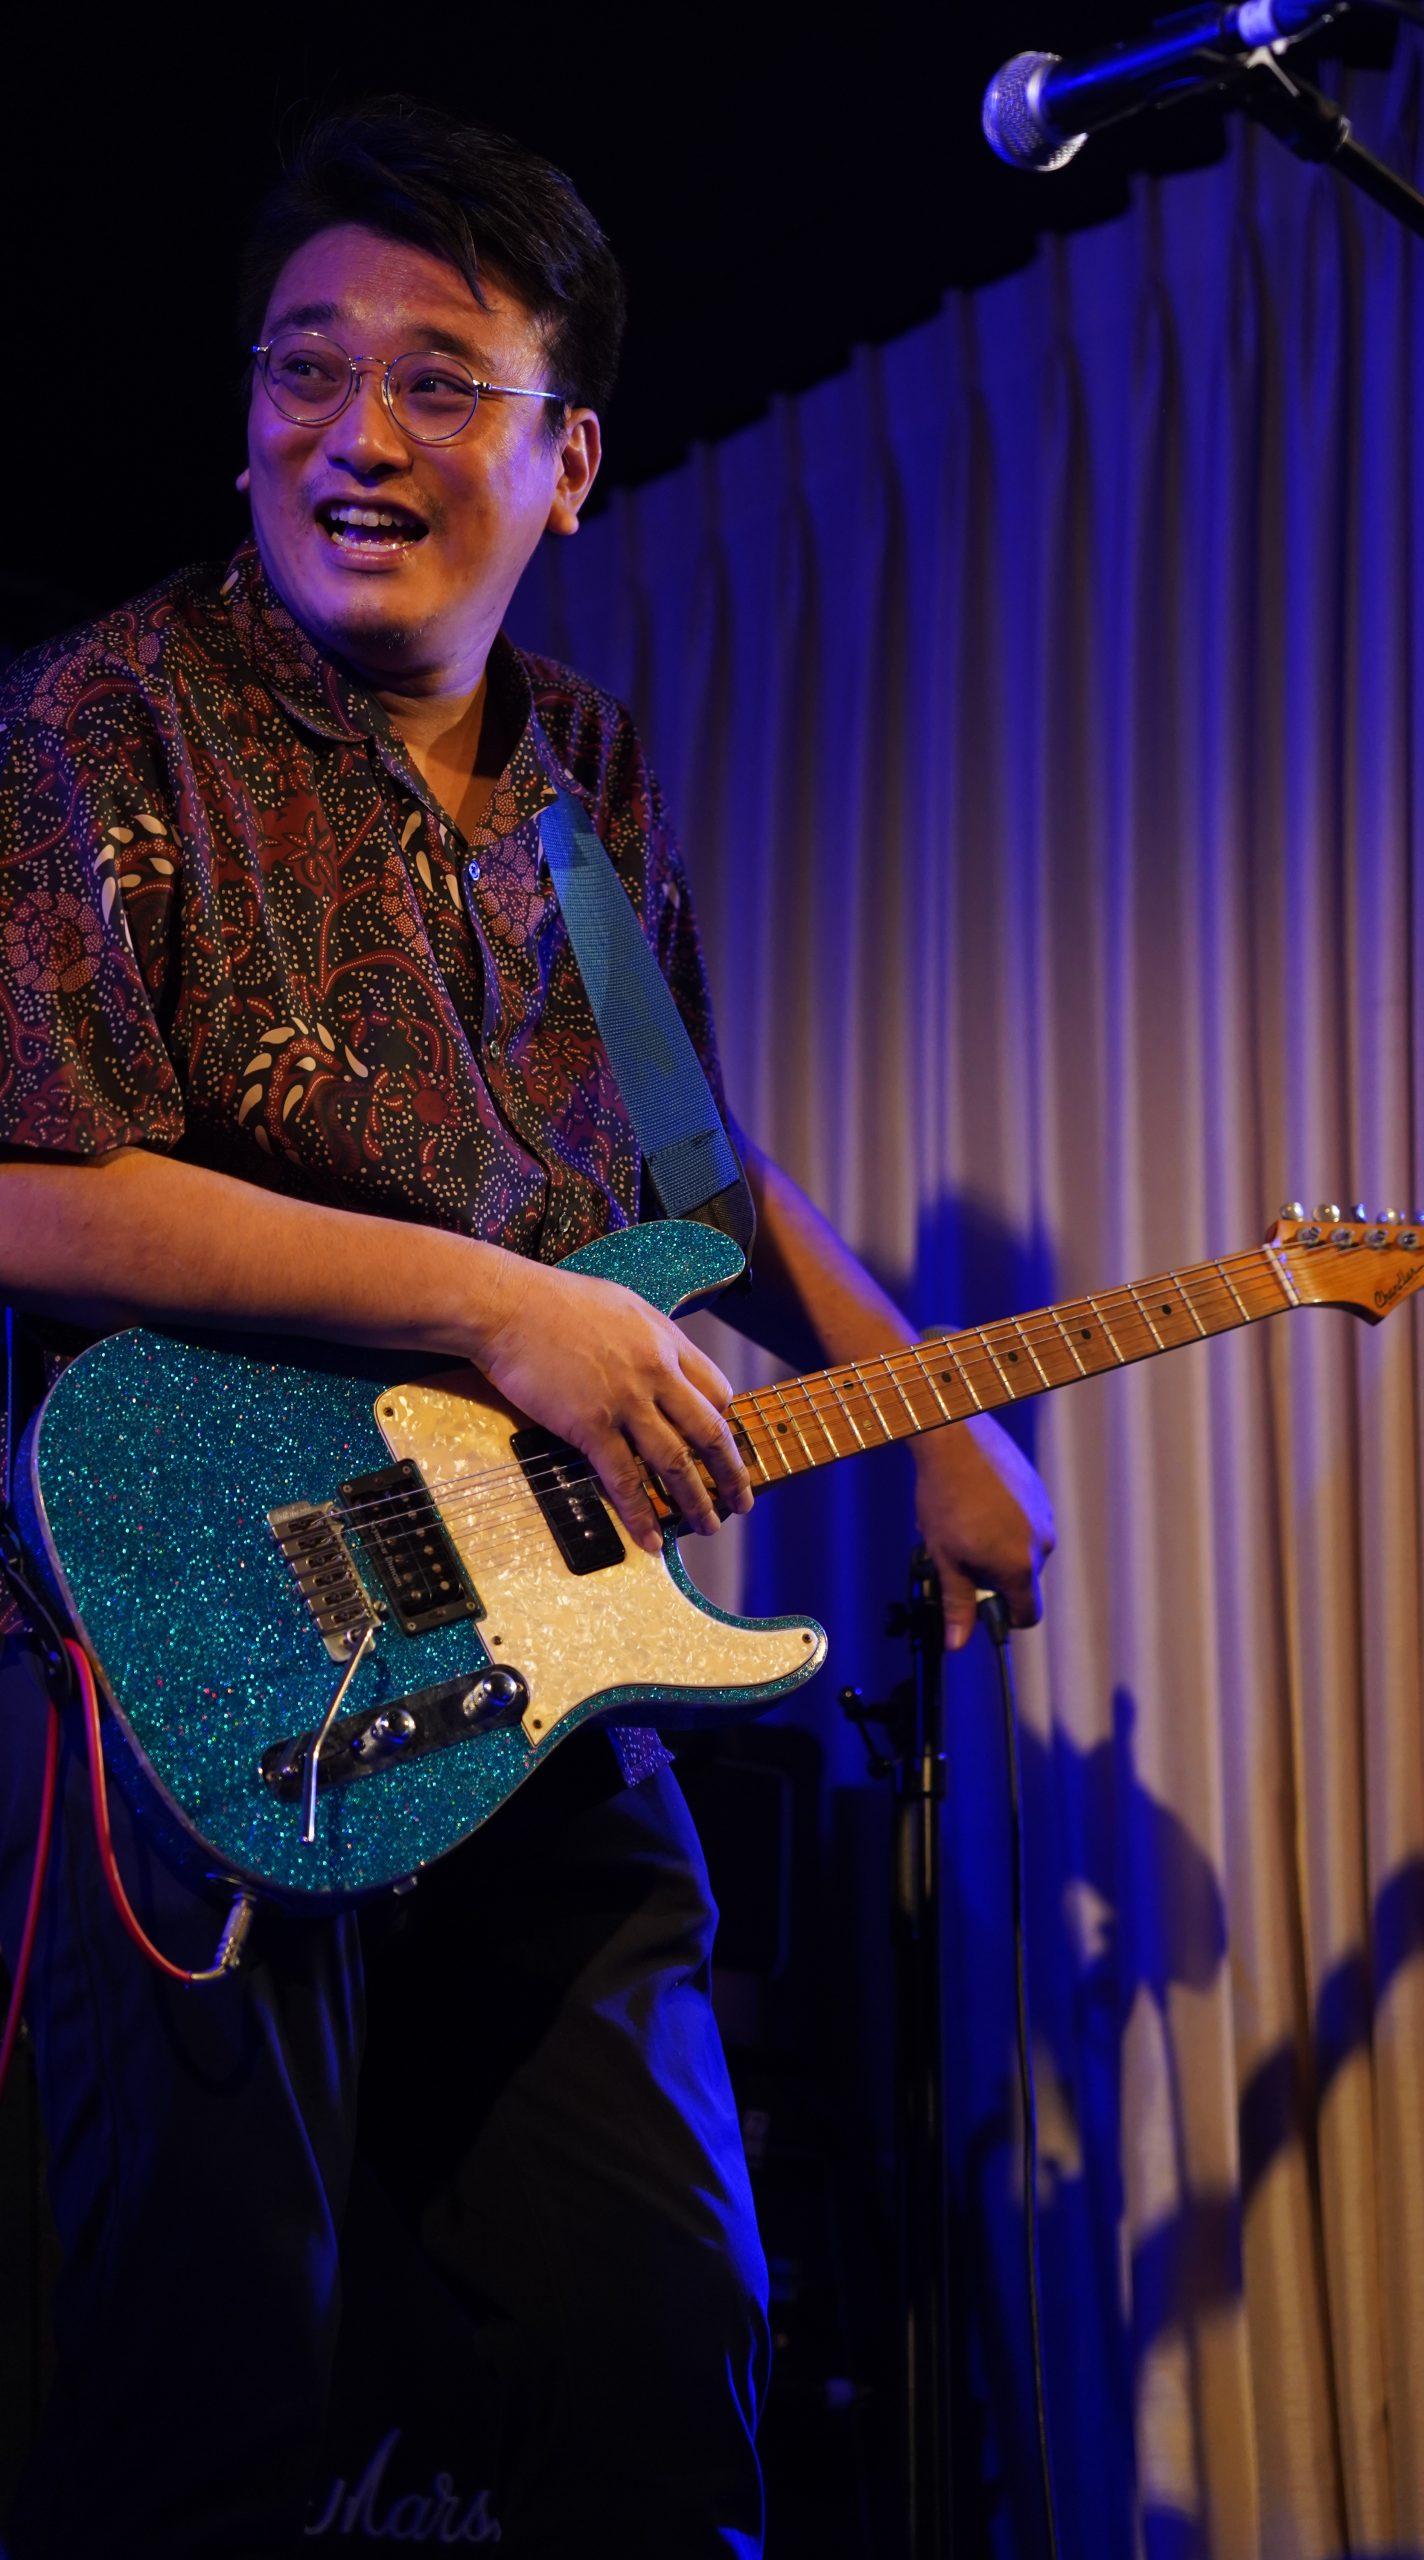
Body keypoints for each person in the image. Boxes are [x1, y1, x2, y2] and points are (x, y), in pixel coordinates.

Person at [0, 97, 1054, 2559]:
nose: (351, 433)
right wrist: (503, 1302)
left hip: (536, 1649)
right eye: (302, 368)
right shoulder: (96, 726)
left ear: (567, 461)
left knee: (662, 2356)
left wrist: (923, 1414)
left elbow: (692, 1163)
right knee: (204, 2391)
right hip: (196, 1651)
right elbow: (27, 1183)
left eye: (437, 381)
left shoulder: (587, 773)